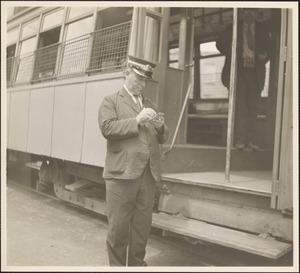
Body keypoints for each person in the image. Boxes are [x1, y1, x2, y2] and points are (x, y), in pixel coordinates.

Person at [98, 55, 169, 266]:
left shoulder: (149, 103)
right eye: (138, 78)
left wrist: (160, 127)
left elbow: (162, 137)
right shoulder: (111, 101)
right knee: (118, 230)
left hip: (147, 175)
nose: (141, 84)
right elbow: (107, 128)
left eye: (145, 80)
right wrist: (137, 120)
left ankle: (137, 266)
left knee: (141, 228)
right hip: (122, 175)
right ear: (126, 73)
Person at [216, 8, 271, 150]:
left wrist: (265, 57)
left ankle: (250, 141)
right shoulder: (233, 27)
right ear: (242, 12)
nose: (249, 14)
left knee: (253, 108)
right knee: (239, 107)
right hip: (238, 72)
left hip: (255, 73)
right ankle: (239, 140)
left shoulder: (263, 30)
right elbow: (219, 44)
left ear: (257, 13)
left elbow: (270, 50)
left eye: (252, 11)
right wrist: (232, 48)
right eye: (246, 11)